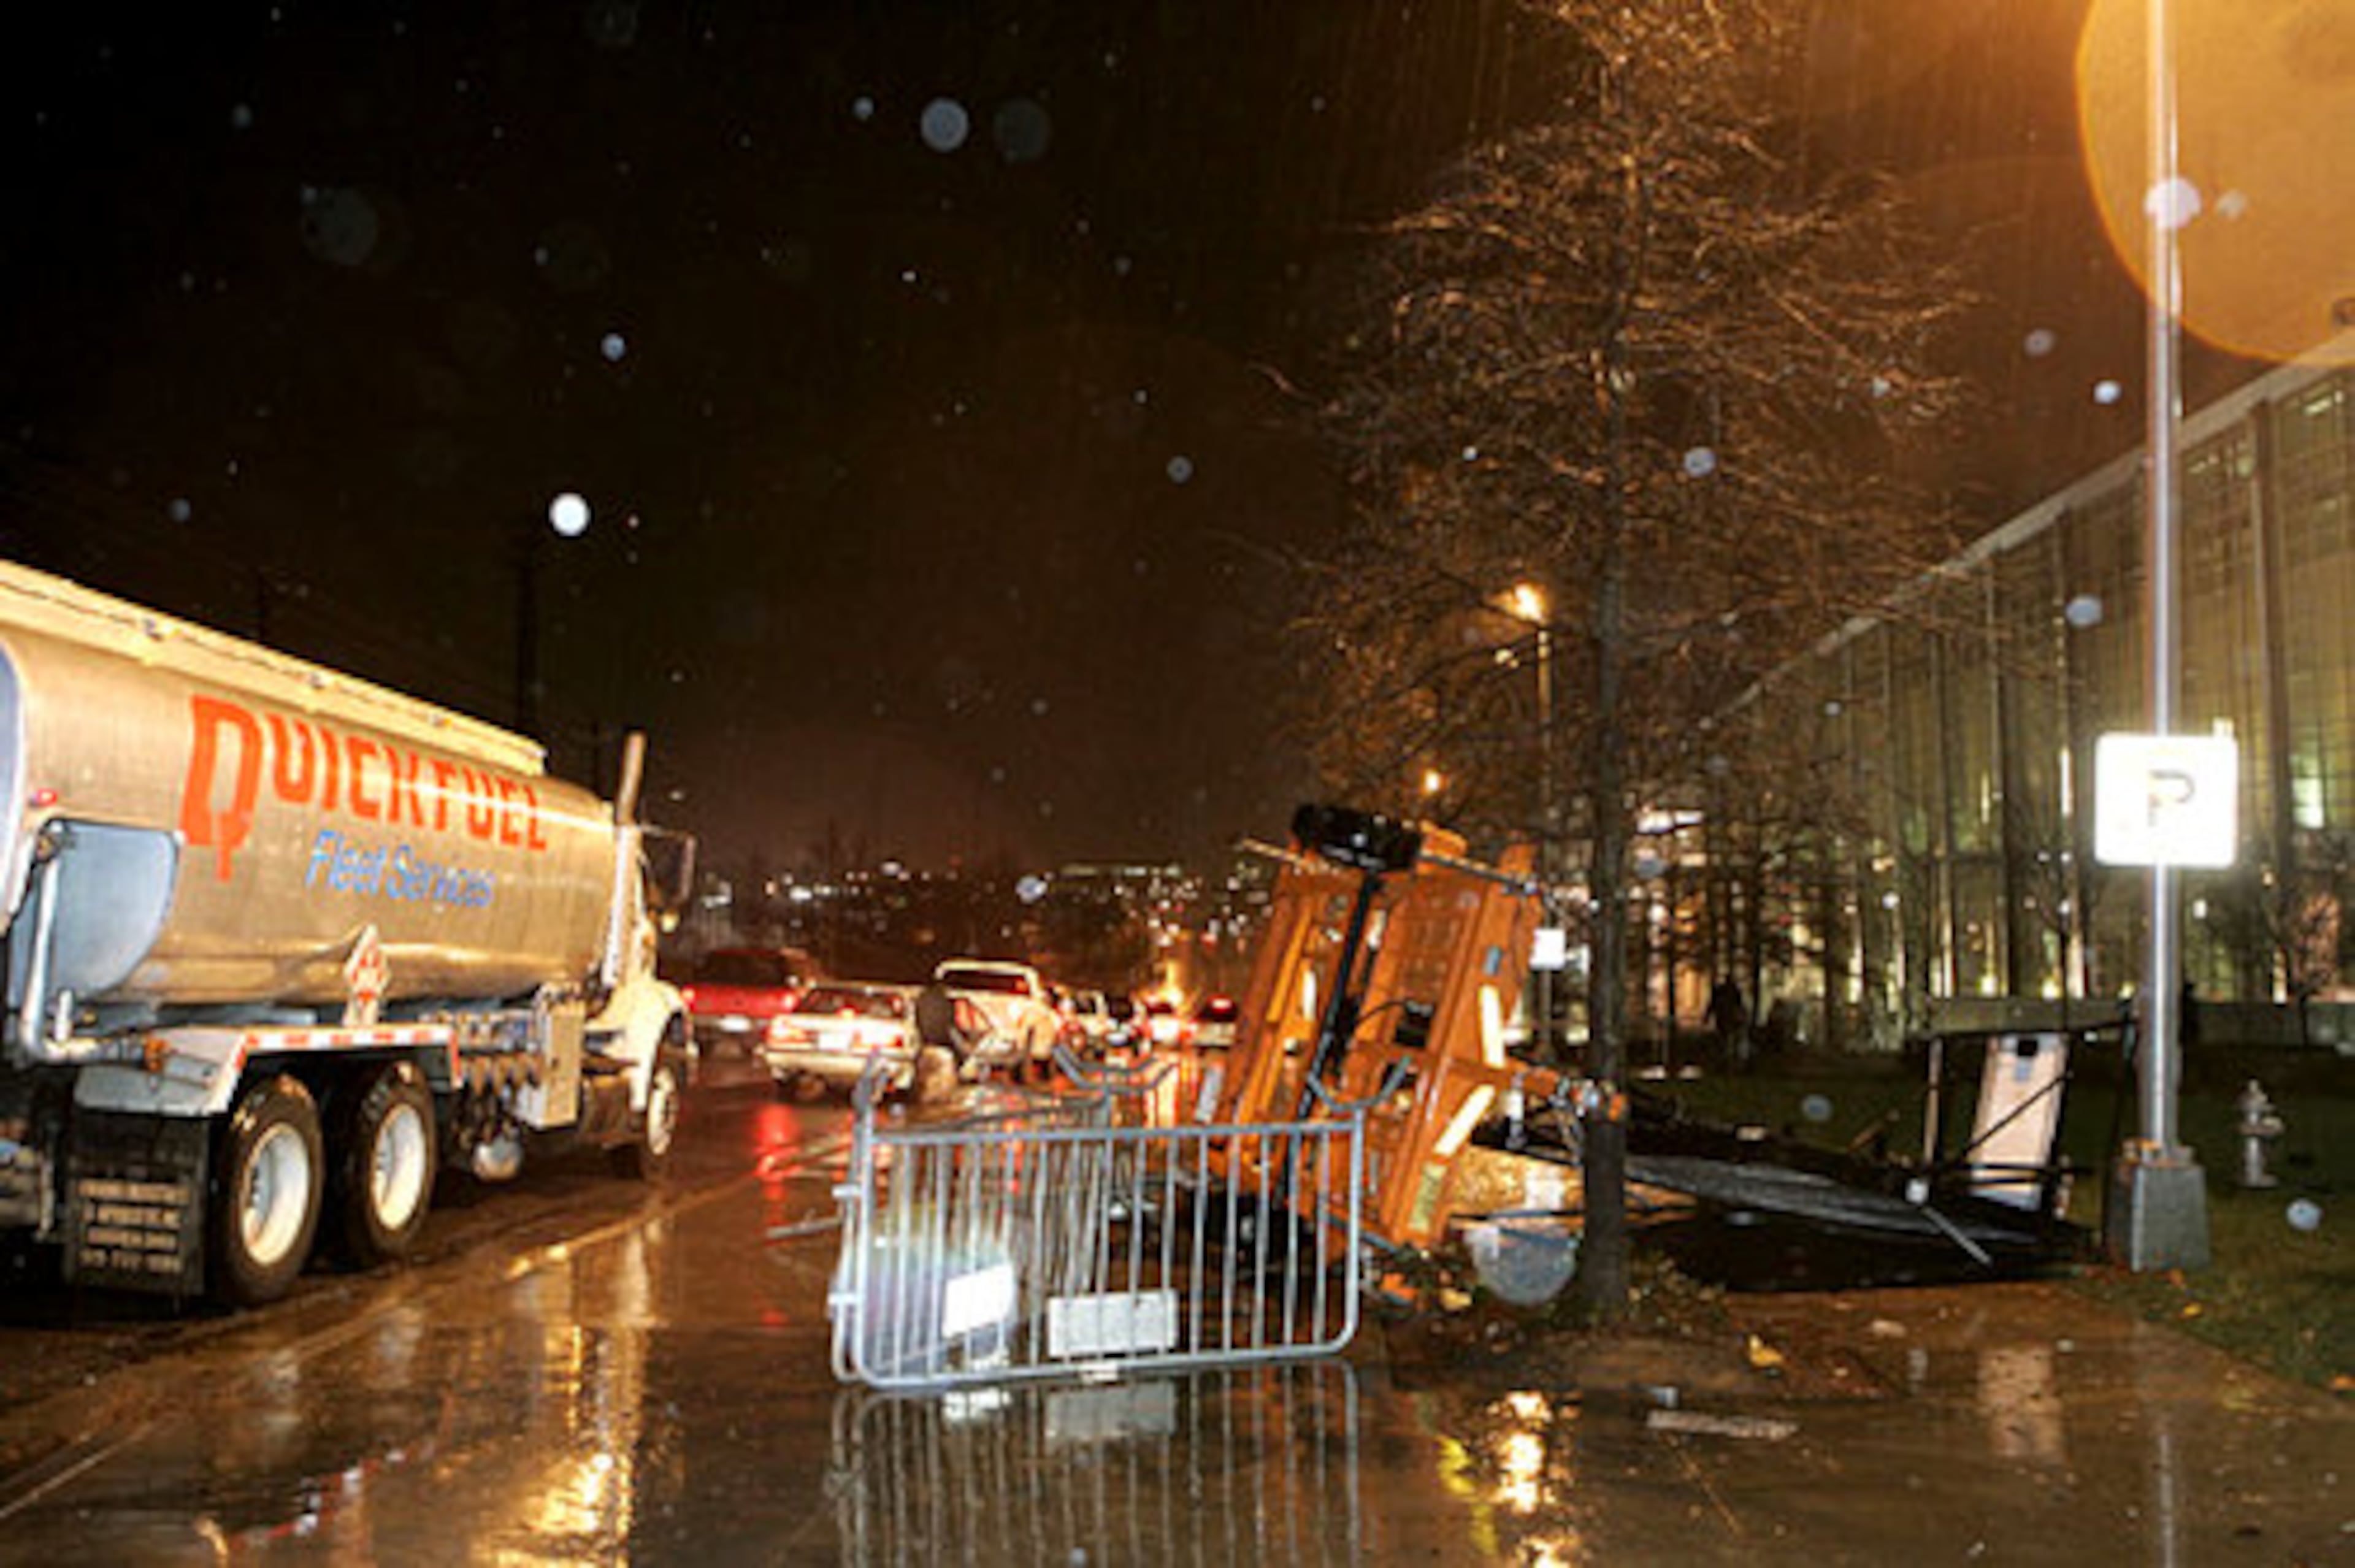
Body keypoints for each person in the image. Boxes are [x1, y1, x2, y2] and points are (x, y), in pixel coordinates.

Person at [1706, 977, 1750, 1069]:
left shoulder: (1721, 992)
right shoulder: (1729, 992)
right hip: (1726, 1018)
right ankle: (1727, 1060)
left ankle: (1727, 1060)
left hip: (1725, 1018)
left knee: (1725, 1040)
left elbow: (1713, 1005)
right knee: (1727, 1039)